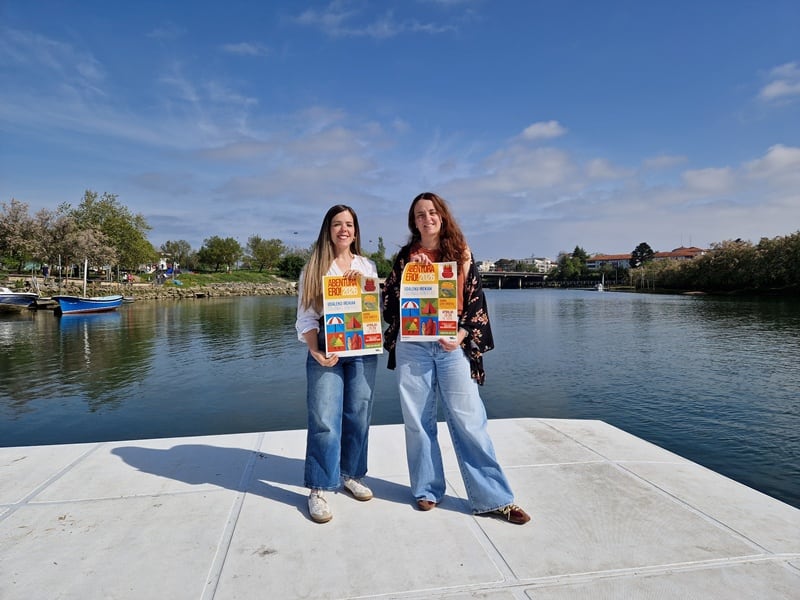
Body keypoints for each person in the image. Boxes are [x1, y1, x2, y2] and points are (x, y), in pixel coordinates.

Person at [382, 192, 531, 525]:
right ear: (413, 222)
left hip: (453, 345)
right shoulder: (406, 257)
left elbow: (475, 298)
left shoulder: (461, 253)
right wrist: (411, 277)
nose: (427, 219)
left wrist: (463, 334)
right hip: (414, 345)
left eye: (432, 212)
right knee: (417, 420)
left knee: (470, 420)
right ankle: (427, 489)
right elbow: (389, 301)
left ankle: (494, 498)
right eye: (420, 215)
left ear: (442, 216)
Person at [295, 204, 378, 523]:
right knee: (324, 418)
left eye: (349, 224)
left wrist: (364, 285)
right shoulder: (314, 268)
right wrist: (315, 350)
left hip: (362, 348)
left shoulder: (367, 266)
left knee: (359, 415)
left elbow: (374, 310)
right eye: (337, 224)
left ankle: (350, 474)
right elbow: (306, 317)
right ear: (327, 230)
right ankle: (319, 487)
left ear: (356, 232)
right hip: (326, 346)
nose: (344, 229)